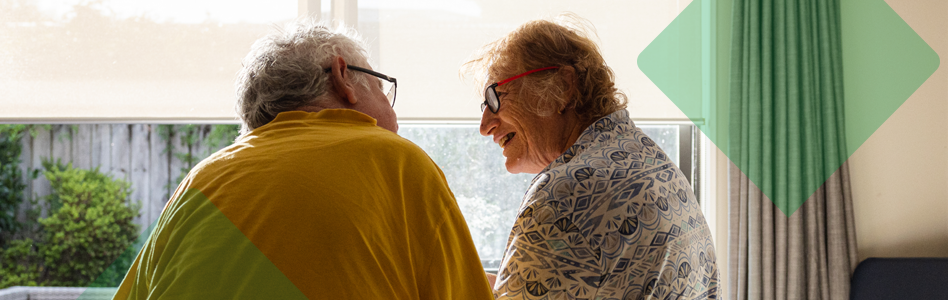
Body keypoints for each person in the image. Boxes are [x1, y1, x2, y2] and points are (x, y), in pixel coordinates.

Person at [114, 21, 493, 299]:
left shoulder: (201, 180)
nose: (394, 120)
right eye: (380, 88)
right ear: (344, 77)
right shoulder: (395, 162)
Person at [465, 15, 719, 300]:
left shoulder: (562, 196)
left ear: (561, 87)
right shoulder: (653, 162)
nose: (485, 126)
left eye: (495, 97)